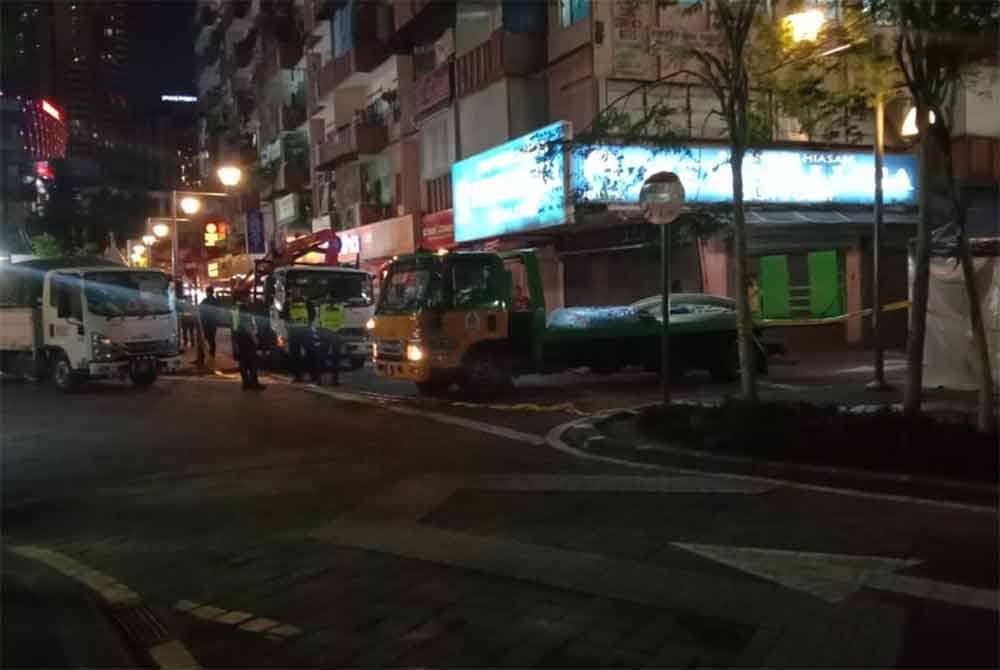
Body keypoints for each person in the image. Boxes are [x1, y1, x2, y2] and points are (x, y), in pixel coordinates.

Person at [232, 290, 265, 391]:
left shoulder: (235, 308)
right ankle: (254, 383)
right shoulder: (244, 308)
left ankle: (246, 383)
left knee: (243, 362)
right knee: (252, 362)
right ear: (244, 297)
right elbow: (246, 324)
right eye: (249, 296)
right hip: (247, 338)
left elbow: (234, 324)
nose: (250, 298)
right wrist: (254, 338)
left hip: (239, 337)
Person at [314, 290, 344, 386]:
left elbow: (319, 320)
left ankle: (319, 380)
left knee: (321, 358)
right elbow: (342, 321)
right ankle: (334, 381)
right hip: (335, 334)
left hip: (325, 334)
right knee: (335, 359)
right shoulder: (340, 307)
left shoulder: (322, 307)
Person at [287, 286, 312, 382]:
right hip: (294, 331)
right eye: (293, 291)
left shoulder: (306, 301)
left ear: (300, 292)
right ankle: (298, 376)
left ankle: (313, 375)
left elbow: (312, 312)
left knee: (310, 353)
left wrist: (309, 323)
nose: (294, 293)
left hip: (305, 330)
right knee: (294, 356)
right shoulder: (289, 302)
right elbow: (285, 313)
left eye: (296, 291)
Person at [199, 287, 221, 358]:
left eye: (207, 292)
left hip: (206, 322)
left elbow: (200, 309)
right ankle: (212, 352)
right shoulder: (216, 301)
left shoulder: (205, 301)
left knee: (206, 338)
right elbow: (218, 312)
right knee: (212, 338)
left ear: (208, 292)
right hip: (213, 323)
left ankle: (204, 354)